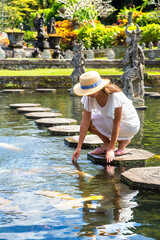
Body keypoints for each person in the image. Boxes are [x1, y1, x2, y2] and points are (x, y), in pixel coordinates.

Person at [71, 71, 140, 163]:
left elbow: (117, 123)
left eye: (91, 91)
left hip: (129, 125)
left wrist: (111, 149)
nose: (88, 94)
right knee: (86, 118)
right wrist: (78, 147)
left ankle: (121, 143)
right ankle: (107, 143)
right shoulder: (88, 97)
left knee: (108, 120)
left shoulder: (115, 96)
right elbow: (85, 122)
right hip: (111, 121)